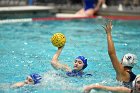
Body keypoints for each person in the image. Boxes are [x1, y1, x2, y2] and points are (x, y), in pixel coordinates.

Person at [102, 20, 137, 88]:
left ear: (121, 61)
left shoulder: (122, 73)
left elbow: (112, 53)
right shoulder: (135, 78)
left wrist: (108, 33)